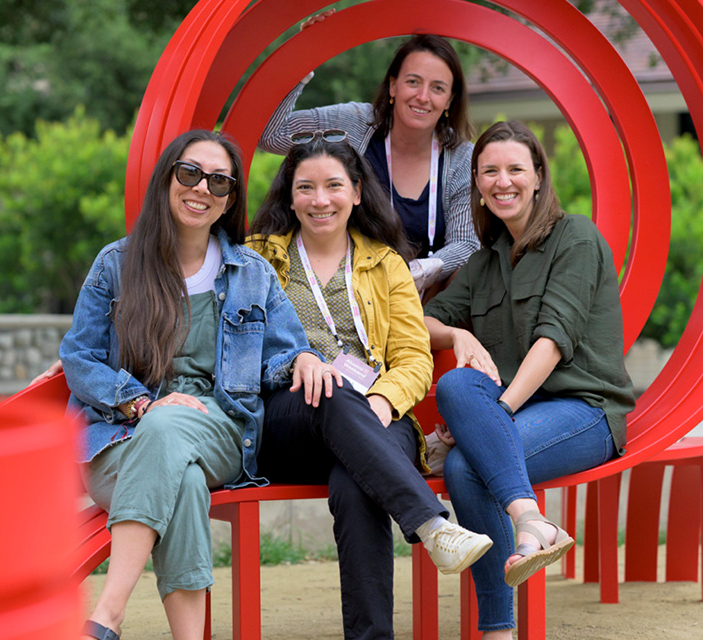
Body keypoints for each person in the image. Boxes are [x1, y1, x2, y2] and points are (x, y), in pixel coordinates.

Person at [61, 130, 326, 640]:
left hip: (219, 428)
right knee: (178, 479)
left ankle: (106, 614)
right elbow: (79, 357)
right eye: (190, 173)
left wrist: (305, 361)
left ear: (230, 200)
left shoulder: (252, 273)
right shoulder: (116, 265)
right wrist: (139, 402)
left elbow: (286, 351)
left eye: (220, 182)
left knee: (169, 429)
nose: (202, 188)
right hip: (118, 439)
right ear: (167, 179)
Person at [247, 134, 492, 640]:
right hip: (288, 421)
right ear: (289, 197)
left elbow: (412, 358)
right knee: (332, 389)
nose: (321, 200)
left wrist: (382, 399)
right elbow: (237, 346)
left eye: (334, 185)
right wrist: (299, 363)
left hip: (377, 419)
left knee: (356, 482)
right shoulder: (255, 261)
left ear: (357, 192)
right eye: (306, 188)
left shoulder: (387, 264)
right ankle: (430, 524)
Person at [422, 121, 636, 639]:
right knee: (456, 387)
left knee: (465, 466)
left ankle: (498, 628)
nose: (503, 181)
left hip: (584, 411)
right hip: (516, 412)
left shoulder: (576, 237)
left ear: (538, 177)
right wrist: (456, 335)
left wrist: (491, 418)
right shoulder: (484, 261)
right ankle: (532, 523)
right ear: (476, 183)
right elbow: (418, 322)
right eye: (489, 171)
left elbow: (553, 341)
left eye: (515, 169)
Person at [259, 19, 479, 300]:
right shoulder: (354, 124)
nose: (423, 97)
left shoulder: (461, 156)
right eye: (413, 82)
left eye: (437, 88)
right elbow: (271, 134)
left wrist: (416, 272)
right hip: (345, 292)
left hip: (423, 299)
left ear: (449, 100)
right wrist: (303, 61)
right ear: (393, 86)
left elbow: (466, 244)